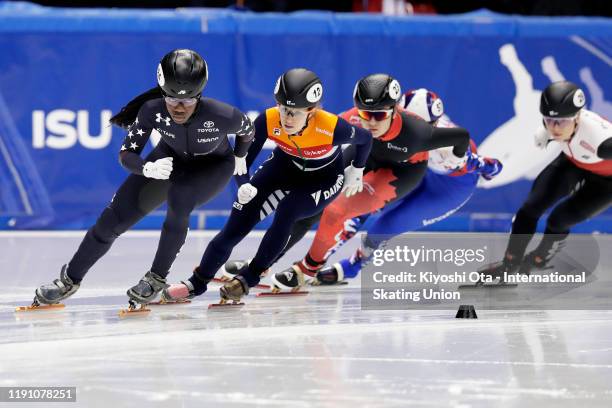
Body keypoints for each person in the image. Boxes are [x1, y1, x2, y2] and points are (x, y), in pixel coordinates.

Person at [31, 49, 255, 309]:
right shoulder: (151, 111)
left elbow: (247, 130)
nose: (179, 107)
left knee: (179, 199)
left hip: (212, 166)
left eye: (189, 99)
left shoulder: (222, 115)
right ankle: (68, 280)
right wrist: (145, 169)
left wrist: (239, 156)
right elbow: (127, 153)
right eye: (171, 98)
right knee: (110, 221)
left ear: (200, 94)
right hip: (167, 161)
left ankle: (156, 278)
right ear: (162, 91)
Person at [163, 68, 373, 303]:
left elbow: (366, 139)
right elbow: (242, 160)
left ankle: (249, 277)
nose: (287, 118)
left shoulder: (332, 127)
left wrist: (357, 168)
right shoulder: (268, 119)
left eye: (294, 112)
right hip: (283, 167)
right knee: (236, 224)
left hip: (323, 178)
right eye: (283, 109)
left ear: (311, 112)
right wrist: (243, 184)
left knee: (288, 211)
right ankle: (197, 282)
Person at [267, 75, 475, 291]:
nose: (372, 122)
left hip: (442, 184)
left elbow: (471, 146)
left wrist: (466, 161)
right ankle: (265, 260)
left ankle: (334, 267)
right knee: (310, 204)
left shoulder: (424, 135)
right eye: (367, 114)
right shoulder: (362, 118)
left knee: (381, 225)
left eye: (380, 115)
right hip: (376, 156)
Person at [313, 88, 503, 284]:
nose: (412, 131)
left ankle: (351, 267)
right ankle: (316, 261)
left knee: (388, 225)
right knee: (360, 202)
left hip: (448, 189)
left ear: (434, 125)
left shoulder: (445, 150)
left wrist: (484, 168)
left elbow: (494, 166)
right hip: (416, 168)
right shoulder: (396, 124)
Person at [481, 80, 612, 278]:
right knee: (529, 209)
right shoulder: (553, 125)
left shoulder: (602, 141)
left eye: (561, 121)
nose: (554, 128)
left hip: (606, 183)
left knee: (558, 220)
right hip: (573, 163)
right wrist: (546, 131)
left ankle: (539, 259)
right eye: (548, 121)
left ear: (577, 117)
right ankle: (510, 264)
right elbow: (554, 122)